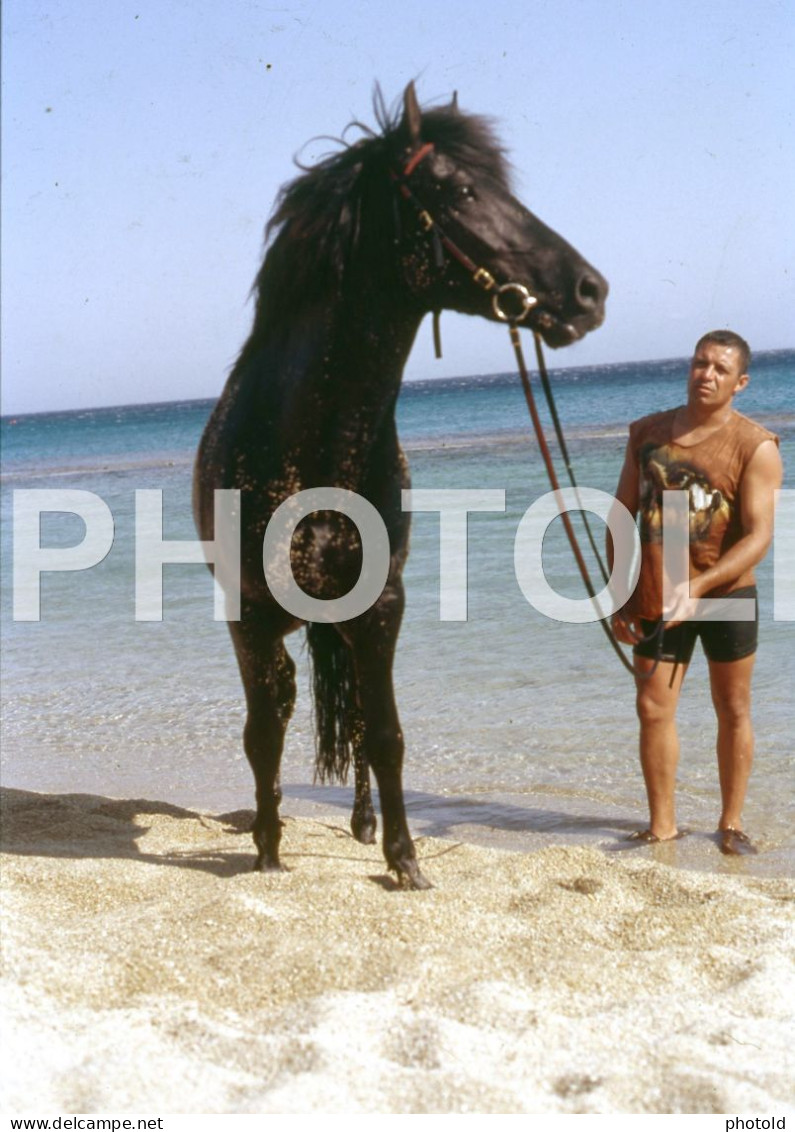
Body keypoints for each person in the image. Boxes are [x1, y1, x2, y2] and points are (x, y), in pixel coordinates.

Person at [608, 330, 782, 854]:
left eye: (720, 369)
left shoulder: (756, 445)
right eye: (699, 364)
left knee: (732, 707)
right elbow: (620, 514)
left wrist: (701, 586)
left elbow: (759, 537)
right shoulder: (647, 434)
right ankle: (662, 826)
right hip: (658, 592)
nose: (706, 374)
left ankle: (730, 825)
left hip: (724, 593)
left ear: (740, 382)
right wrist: (619, 593)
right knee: (652, 706)